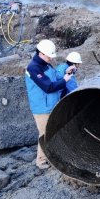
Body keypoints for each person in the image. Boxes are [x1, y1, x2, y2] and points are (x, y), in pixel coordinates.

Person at [25, 39, 75, 169]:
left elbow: (53, 79)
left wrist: (66, 73)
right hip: (42, 108)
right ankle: (41, 161)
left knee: (52, 131)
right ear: (41, 53)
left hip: (52, 104)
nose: (51, 59)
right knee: (45, 134)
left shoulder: (46, 65)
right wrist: (64, 80)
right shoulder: (33, 68)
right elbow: (48, 87)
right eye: (49, 56)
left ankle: (52, 156)